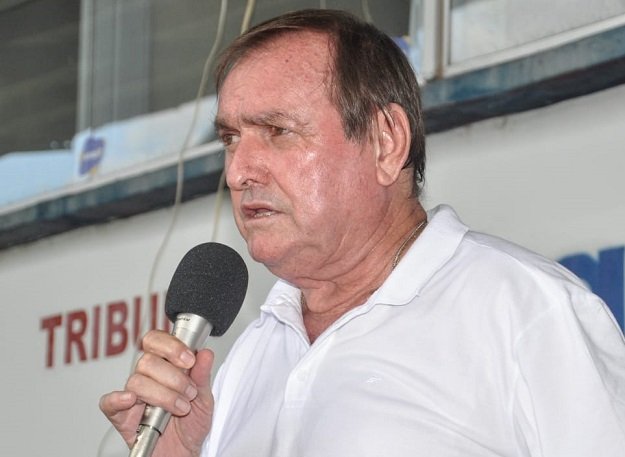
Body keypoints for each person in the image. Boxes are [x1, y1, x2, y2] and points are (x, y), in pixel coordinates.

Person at [100, 9, 625, 457]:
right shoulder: (255, 350)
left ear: (386, 141)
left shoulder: (527, 312)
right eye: (231, 139)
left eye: (278, 131)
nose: (238, 172)